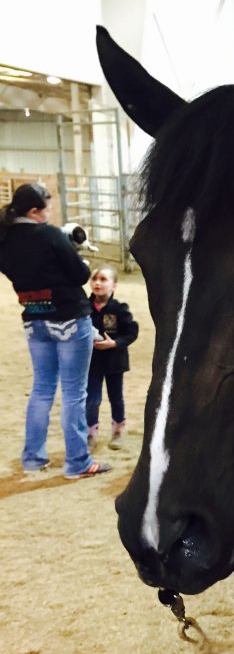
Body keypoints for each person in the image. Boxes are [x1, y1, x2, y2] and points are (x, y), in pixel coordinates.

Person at [0, 183, 111, 478]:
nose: (49, 213)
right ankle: (78, 462)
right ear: (35, 211)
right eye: (46, 208)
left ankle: (33, 457)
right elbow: (80, 274)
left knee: (42, 389)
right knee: (75, 392)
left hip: (34, 318)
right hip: (69, 318)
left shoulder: (5, 238)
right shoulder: (49, 235)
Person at [87, 265, 139, 451]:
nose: (97, 283)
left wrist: (115, 343)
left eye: (103, 279)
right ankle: (90, 434)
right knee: (92, 400)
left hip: (115, 363)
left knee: (116, 398)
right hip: (91, 364)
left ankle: (118, 431)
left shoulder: (119, 309)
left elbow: (132, 332)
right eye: (94, 279)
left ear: (114, 286)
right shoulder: (83, 308)